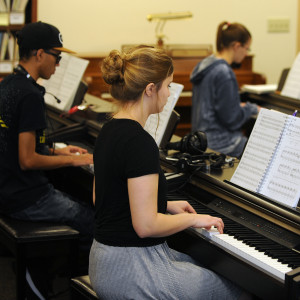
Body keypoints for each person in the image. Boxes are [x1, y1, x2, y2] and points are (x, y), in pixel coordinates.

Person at [89, 46, 251, 299]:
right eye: (168, 85)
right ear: (150, 89)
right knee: (238, 290)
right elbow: (145, 226)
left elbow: (103, 199)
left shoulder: (109, 129)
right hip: (133, 270)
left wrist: (163, 204)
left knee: (199, 267)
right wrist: (195, 219)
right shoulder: (139, 142)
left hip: (103, 262)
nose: (169, 93)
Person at [0, 21, 94, 299]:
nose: (59, 63)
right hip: (25, 197)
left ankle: (43, 268)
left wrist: (58, 152)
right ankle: (48, 281)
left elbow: (21, 146)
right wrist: (74, 162)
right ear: (39, 54)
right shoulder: (30, 96)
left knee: (77, 202)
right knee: (92, 222)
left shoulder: (9, 85)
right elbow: (28, 160)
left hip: (8, 189)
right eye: (57, 56)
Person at [190, 21, 260, 158]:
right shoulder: (224, 72)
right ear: (237, 46)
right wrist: (252, 109)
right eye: (247, 49)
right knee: (259, 152)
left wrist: (238, 106)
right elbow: (231, 119)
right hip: (219, 143)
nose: (246, 54)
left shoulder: (206, 64)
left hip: (200, 139)